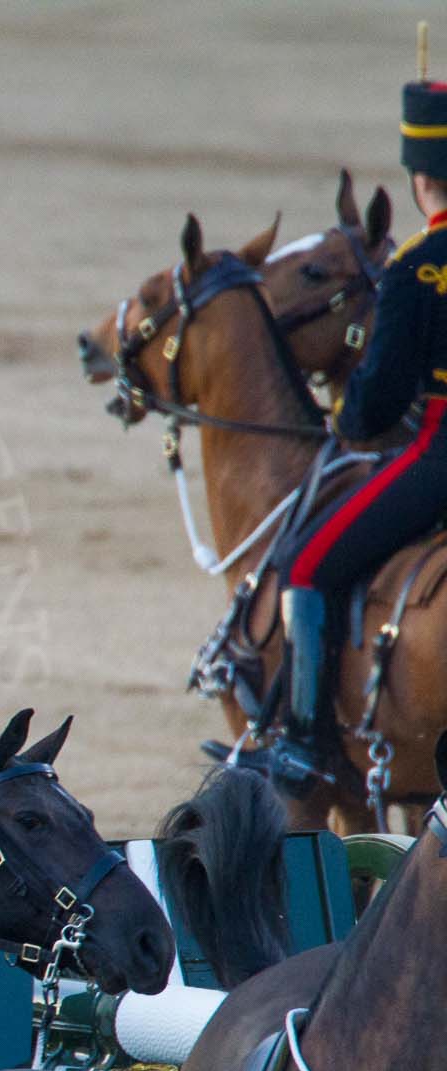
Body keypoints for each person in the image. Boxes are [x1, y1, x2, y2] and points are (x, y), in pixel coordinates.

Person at [269, 74, 447, 793]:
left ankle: (306, 742)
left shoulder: (418, 267)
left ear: (419, 179)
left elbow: (378, 401)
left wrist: (346, 416)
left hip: (440, 457)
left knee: (306, 565)